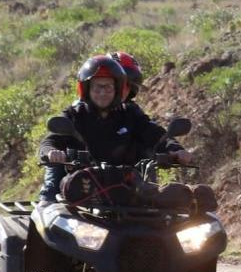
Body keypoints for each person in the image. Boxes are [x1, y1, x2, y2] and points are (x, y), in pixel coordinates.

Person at [37, 55, 192, 204]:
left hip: (126, 191)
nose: (103, 93)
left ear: (117, 89)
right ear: (86, 89)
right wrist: (51, 152)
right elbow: (50, 141)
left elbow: (157, 135)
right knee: (48, 206)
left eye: (108, 87)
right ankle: (45, 205)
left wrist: (176, 150)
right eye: (97, 88)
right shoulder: (74, 114)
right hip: (81, 189)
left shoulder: (130, 114)